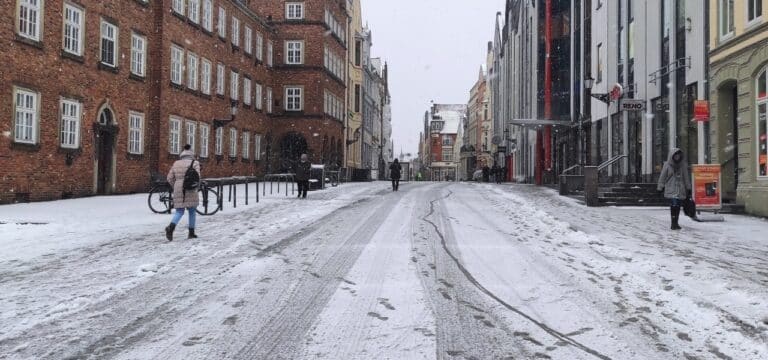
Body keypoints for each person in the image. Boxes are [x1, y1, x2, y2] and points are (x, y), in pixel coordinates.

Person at [165, 144, 201, 241]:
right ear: (191, 153)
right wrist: (196, 186)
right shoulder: (195, 163)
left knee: (179, 211)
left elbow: (169, 178)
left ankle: (170, 228)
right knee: (192, 211)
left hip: (178, 188)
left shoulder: (176, 163)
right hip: (191, 188)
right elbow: (198, 177)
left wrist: (176, 185)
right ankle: (191, 232)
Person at [657, 148, 692, 230]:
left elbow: (686, 178)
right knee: (674, 204)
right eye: (675, 155)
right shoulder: (667, 165)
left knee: (678, 205)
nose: (677, 157)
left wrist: (688, 188)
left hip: (680, 189)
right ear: (672, 156)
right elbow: (662, 177)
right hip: (671, 188)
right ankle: (673, 223)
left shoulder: (683, 165)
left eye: (678, 155)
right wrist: (660, 187)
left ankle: (676, 222)